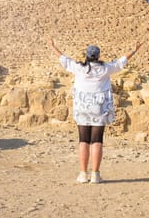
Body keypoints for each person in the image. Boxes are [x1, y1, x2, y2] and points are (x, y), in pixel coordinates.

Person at [46, 37, 143, 183]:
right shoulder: (105, 69)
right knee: (97, 141)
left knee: (83, 140)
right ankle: (95, 175)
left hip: (82, 108)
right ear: (98, 56)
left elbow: (64, 59)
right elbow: (121, 62)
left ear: (86, 55)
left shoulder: (79, 68)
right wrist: (135, 50)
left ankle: (83, 174)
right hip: (99, 108)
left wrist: (52, 46)